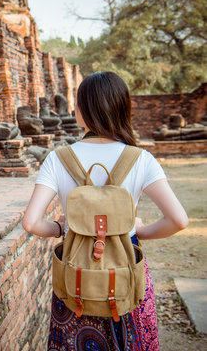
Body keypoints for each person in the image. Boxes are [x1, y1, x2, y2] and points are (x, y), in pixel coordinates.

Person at [22, 71, 188, 350]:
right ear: (122, 108)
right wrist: (138, 230)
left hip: (76, 273)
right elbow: (179, 219)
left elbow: (30, 223)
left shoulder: (58, 159)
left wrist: (61, 227)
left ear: (83, 110)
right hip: (126, 271)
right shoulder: (141, 159)